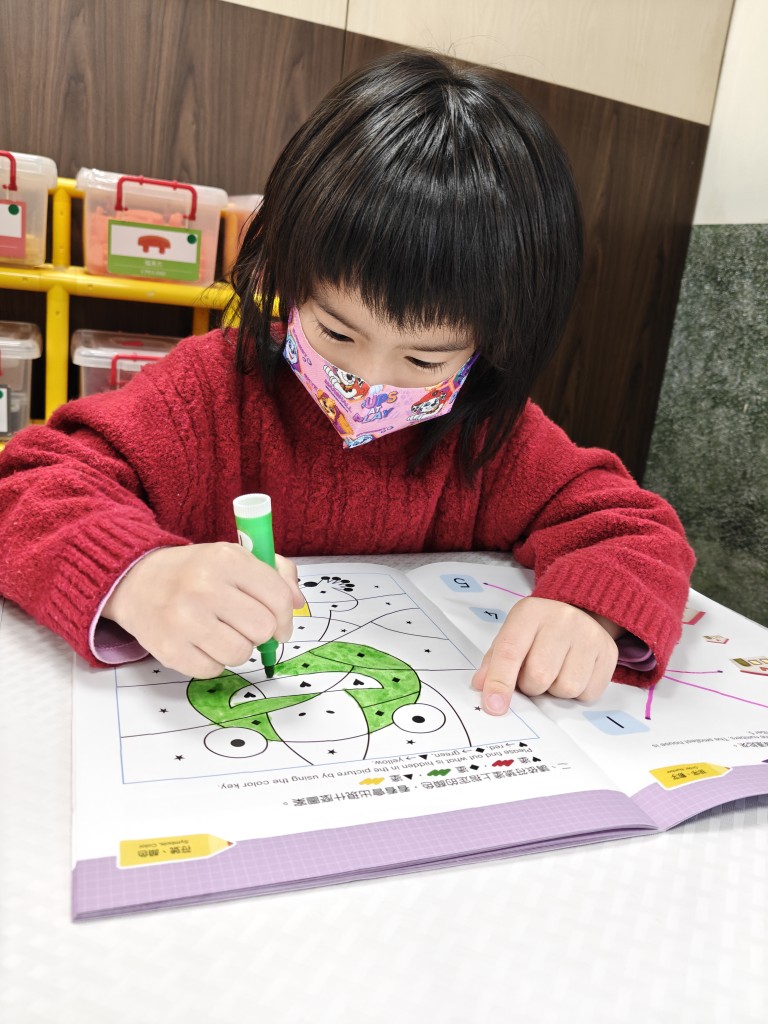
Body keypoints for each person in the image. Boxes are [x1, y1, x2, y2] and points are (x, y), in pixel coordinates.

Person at [0, 51, 694, 716]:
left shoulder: (490, 436)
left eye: (423, 361)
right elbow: (27, 485)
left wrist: (588, 608)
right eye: (336, 333)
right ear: (283, 273)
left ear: (495, 344)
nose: (367, 382)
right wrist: (136, 575)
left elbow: (634, 527)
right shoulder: (209, 393)